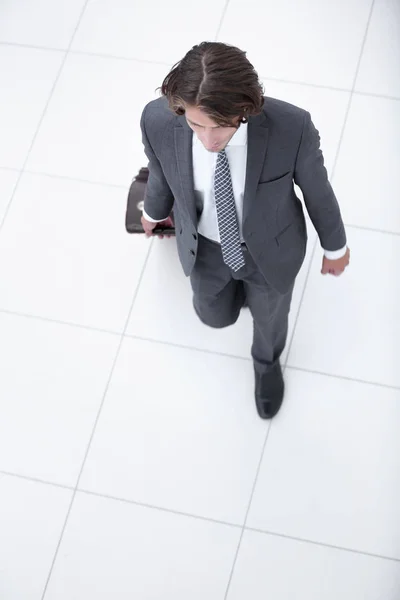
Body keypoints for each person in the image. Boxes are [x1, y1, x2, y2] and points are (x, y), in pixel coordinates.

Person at [138, 41, 350, 419]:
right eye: (195, 125)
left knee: (270, 319)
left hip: (269, 250)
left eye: (219, 126)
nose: (207, 141)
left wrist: (335, 248)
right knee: (213, 314)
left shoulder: (292, 128)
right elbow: (161, 174)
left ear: (244, 108)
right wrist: (154, 213)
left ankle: (266, 364)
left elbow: (319, 193)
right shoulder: (157, 122)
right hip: (204, 247)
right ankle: (237, 298)